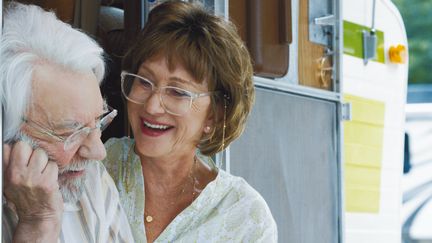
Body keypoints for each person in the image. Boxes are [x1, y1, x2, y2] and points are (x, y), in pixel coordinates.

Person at [103, 1, 278, 242]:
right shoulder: (97, 166)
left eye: (178, 92)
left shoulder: (245, 217)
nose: (152, 106)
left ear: (215, 114)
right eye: (144, 81)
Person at [1, 3, 134, 242]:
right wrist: (38, 224)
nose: (99, 152)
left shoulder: (89, 178)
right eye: (71, 133)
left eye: (98, 121)